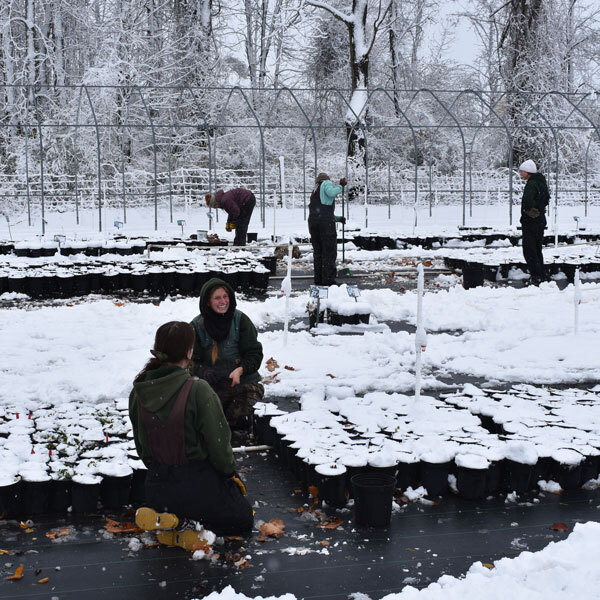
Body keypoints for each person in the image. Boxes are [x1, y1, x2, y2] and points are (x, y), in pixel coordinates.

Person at [129, 321, 253, 543]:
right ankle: (190, 525)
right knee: (242, 519)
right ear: (189, 352)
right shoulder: (197, 390)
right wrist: (229, 475)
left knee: (180, 501)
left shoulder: (139, 391)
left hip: (157, 485)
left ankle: (169, 519)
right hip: (196, 485)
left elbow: (143, 449)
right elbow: (219, 446)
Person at [190, 278, 264, 436]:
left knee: (240, 418)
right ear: (208, 302)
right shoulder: (196, 326)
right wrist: (203, 371)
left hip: (243, 385)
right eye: (217, 298)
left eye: (226, 296)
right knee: (206, 421)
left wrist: (241, 370)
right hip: (212, 387)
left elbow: (254, 353)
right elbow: (189, 361)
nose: (223, 301)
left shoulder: (241, 320)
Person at [308, 172, 347, 286]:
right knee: (329, 252)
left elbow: (321, 211)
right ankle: (328, 280)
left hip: (313, 224)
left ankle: (319, 279)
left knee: (318, 253)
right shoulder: (326, 183)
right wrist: (341, 186)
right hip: (325, 225)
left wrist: (337, 219)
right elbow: (331, 193)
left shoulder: (315, 191)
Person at [519, 159, 550, 285]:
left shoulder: (531, 184)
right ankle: (541, 275)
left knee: (529, 249)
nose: (521, 174)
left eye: (522, 171)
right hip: (540, 221)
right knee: (537, 249)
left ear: (528, 172)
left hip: (531, 222)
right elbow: (546, 199)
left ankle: (536, 277)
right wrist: (539, 210)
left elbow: (527, 201)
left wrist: (530, 211)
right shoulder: (541, 182)